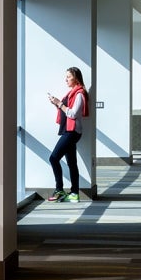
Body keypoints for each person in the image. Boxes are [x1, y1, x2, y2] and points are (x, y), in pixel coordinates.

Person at [47, 67, 89, 203]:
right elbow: (66, 111)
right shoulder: (72, 93)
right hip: (68, 131)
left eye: (69, 77)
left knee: (53, 158)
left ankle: (59, 190)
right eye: (66, 77)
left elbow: (72, 113)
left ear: (76, 78)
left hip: (72, 132)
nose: (66, 79)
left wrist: (59, 103)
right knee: (72, 163)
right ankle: (74, 193)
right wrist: (56, 103)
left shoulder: (79, 94)